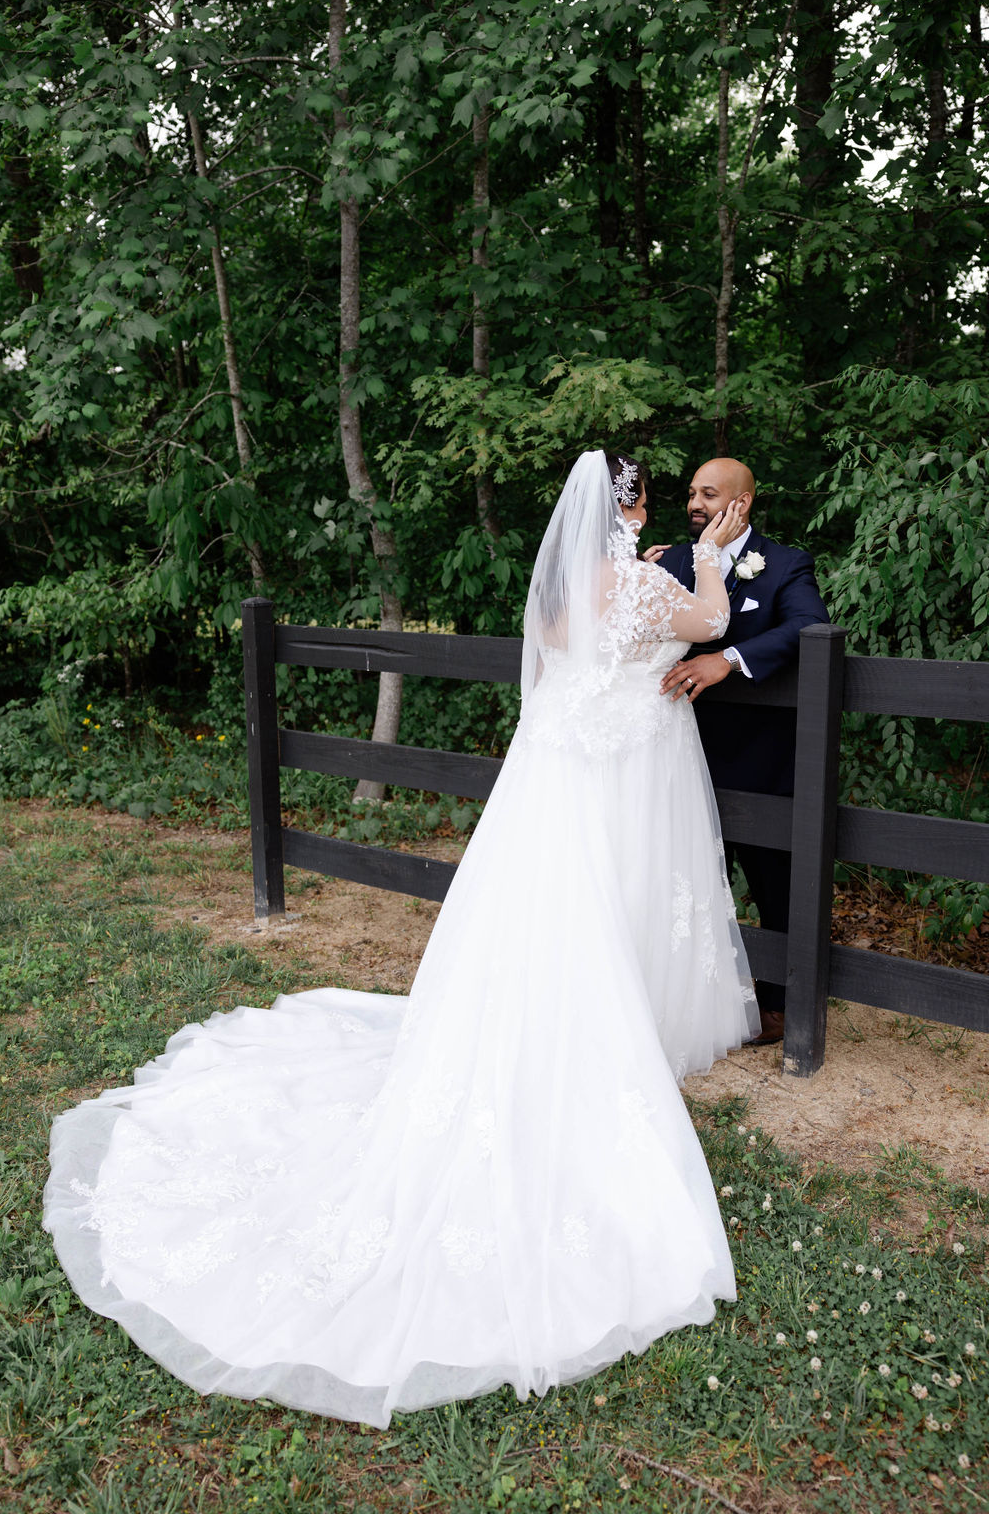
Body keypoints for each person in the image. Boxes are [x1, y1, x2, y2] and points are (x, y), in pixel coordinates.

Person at [43, 451, 759, 1430]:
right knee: (615, 896)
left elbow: (557, 670)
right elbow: (709, 626)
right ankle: (604, 1037)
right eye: (650, 500)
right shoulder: (643, 581)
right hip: (627, 764)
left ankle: (558, 1017)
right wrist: (713, 558)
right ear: (629, 514)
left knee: (551, 906)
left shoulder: (561, 592)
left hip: (561, 769)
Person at [657, 458, 831, 1046]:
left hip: (760, 757)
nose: (695, 504)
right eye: (691, 494)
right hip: (677, 753)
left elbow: (811, 629)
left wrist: (726, 660)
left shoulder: (784, 564)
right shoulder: (669, 562)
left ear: (743, 502)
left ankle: (780, 1006)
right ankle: (695, 1000)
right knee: (688, 879)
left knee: (772, 880)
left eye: (709, 494)